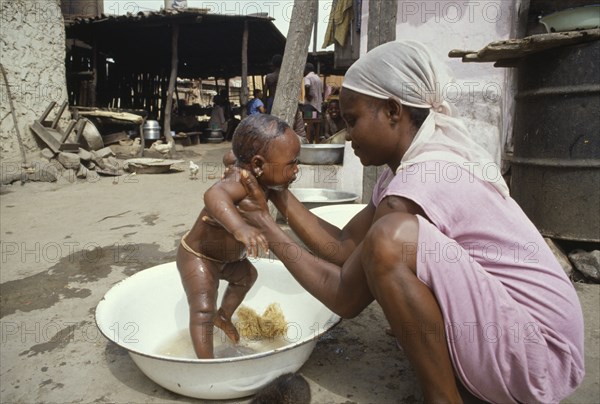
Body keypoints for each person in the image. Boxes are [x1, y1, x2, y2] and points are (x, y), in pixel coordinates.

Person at [232, 40, 585, 402]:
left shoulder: (425, 177)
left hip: (539, 355)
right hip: (522, 340)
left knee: (391, 239)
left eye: (352, 120)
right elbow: (344, 248)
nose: (348, 134)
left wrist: (264, 224)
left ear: (392, 111)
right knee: (385, 241)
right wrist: (277, 193)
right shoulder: (404, 170)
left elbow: (344, 297)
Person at [176, 114, 301, 359]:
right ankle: (206, 365)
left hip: (227, 261)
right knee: (202, 310)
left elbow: (230, 157)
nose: (297, 170)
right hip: (200, 258)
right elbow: (213, 195)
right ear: (257, 164)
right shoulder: (239, 181)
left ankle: (223, 316)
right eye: (291, 164)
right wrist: (239, 228)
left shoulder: (258, 177)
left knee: (247, 276)